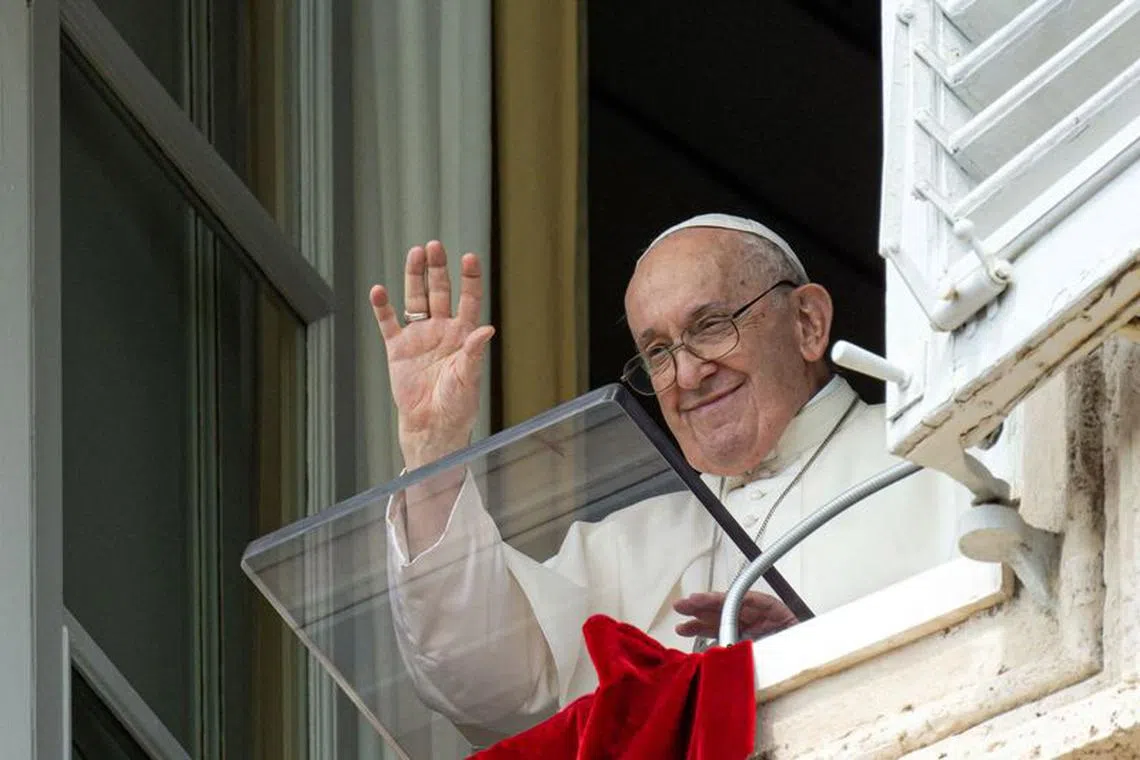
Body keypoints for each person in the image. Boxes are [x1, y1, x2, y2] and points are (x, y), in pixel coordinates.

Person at [369, 214, 959, 736]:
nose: (686, 373)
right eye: (656, 351)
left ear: (807, 321)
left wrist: (817, 649)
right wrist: (432, 444)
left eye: (709, 325)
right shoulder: (624, 547)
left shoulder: (937, 456)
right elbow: (479, 684)